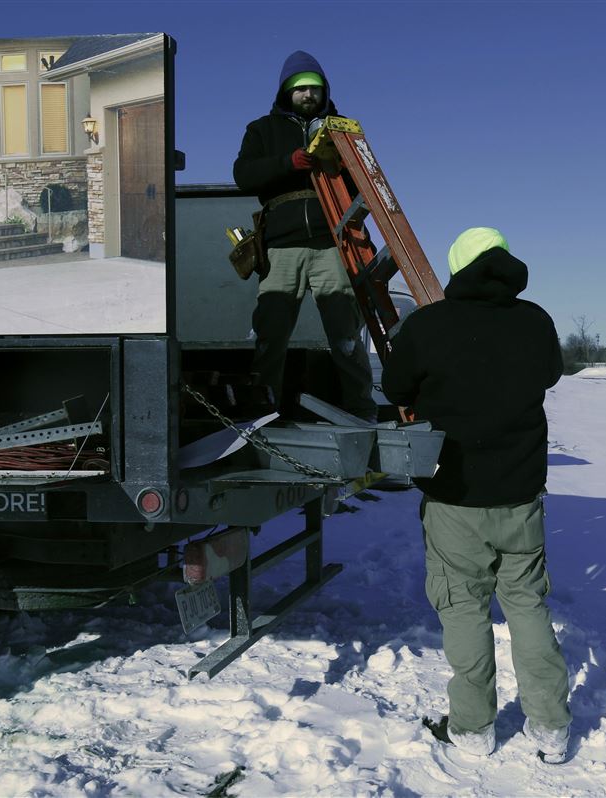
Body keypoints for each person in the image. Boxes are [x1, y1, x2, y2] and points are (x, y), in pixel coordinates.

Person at [381, 227, 572, 763]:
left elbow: (395, 388)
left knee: (463, 609)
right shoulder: (534, 320)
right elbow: (551, 373)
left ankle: (470, 731)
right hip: (520, 494)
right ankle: (551, 728)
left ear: (457, 268)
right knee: (527, 606)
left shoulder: (429, 324)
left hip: (453, 496)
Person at [233, 50, 376, 421]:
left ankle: (361, 411)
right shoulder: (261, 129)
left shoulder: (343, 127)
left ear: (324, 91)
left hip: (332, 243)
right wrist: (288, 162)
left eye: (314, 88)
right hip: (281, 246)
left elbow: (367, 178)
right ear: (285, 91)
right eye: (299, 88)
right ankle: (262, 414)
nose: (308, 95)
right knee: (271, 336)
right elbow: (243, 175)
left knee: (346, 335)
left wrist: (343, 161)